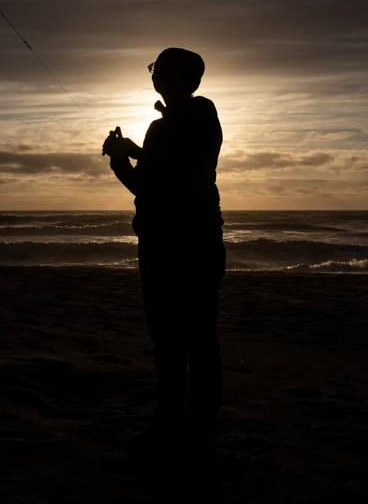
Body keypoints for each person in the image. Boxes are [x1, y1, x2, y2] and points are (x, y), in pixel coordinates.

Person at [102, 47, 226, 450]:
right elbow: (145, 186)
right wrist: (121, 160)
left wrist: (136, 154)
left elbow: (181, 172)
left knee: (199, 338)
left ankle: (201, 429)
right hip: (156, 244)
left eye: (168, 71)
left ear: (188, 79)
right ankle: (169, 424)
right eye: (157, 71)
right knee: (167, 339)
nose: (160, 77)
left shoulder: (201, 112)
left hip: (195, 242)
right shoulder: (158, 128)